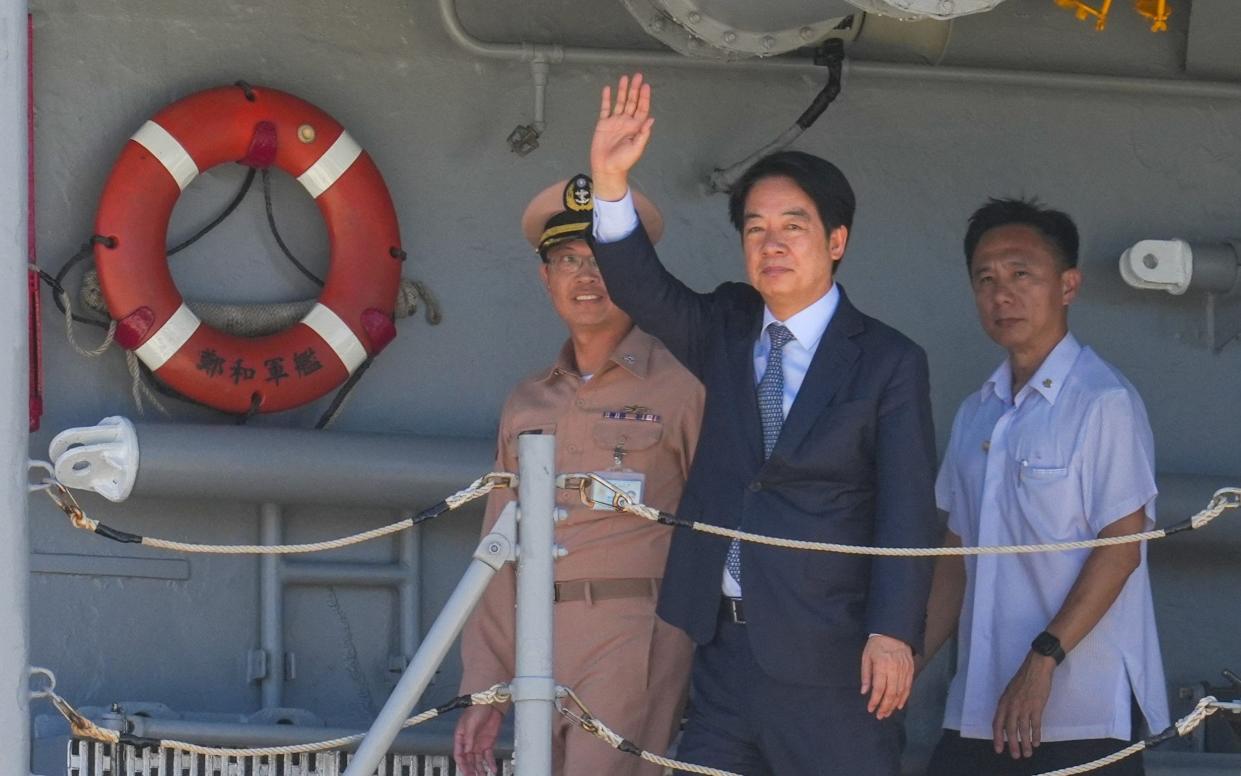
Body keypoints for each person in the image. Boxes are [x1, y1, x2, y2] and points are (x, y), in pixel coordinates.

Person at [587, 73, 940, 775]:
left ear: (836, 240)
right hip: (724, 653)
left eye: (792, 226)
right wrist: (608, 179)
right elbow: (640, 288)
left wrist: (893, 634)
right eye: (755, 228)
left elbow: (906, 509)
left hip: (835, 663)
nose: (770, 243)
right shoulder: (725, 323)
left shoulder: (888, 360)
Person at [453, 175, 703, 776]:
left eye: (602, 261)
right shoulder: (528, 401)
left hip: (635, 629)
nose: (585, 277)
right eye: (567, 260)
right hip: (537, 635)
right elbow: (498, 545)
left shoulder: (685, 383)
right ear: (546, 278)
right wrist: (486, 685)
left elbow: (725, 524)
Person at [922, 197, 1170, 775]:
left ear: (1068, 285)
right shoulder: (975, 413)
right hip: (978, 704)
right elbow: (954, 557)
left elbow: (1120, 549)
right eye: (985, 278)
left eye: (1021, 274)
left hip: (1081, 709)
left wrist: (1043, 661)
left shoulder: (1103, 401)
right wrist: (908, 663)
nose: (1001, 293)